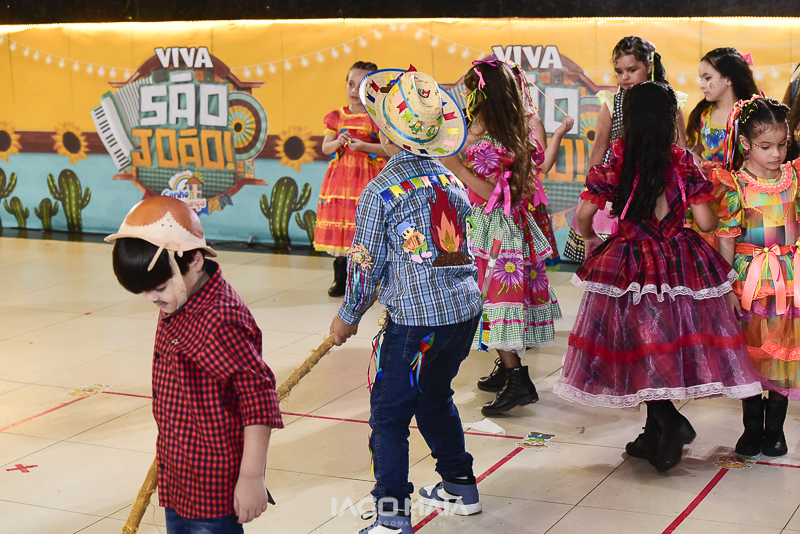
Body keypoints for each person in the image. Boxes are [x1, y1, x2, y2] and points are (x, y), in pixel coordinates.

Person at [553, 82, 762, 472]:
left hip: (630, 263)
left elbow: (583, 216)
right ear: (669, 120)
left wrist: (590, 237)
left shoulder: (618, 158)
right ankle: (656, 432)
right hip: (679, 262)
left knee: (638, 345)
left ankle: (667, 422)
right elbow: (706, 222)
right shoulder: (682, 161)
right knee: (662, 345)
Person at [329, 66, 483, 534]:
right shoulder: (450, 179)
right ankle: (460, 486)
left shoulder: (380, 191)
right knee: (434, 397)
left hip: (417, 323)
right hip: (462, 314)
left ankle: (392, 517)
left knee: (389, 414)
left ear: (383, 131)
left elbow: (364, 263)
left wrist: (348, 315)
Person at [106, 196, 283, 533]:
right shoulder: (178, 300)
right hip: (179, 473)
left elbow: (258, 399)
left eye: (159, 288)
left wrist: (251, 477)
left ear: (195, 261)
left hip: (214, 481)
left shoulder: (221, 319)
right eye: (143, 292)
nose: (152, 299)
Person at [444, 57, 564, 416]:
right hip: (493, 225)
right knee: (491, 299)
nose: (468, 97)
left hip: (498, 228)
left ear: (485, 94)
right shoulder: (506, 127)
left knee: (495, 300)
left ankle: (518, 381)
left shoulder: (495, 136)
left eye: (472, 90)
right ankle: (507, 369)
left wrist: (457, 168)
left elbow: (499, 192)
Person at [715, 95, 800, 457]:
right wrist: (725, 287)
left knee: (784, 352)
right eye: (766, 146)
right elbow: (726, 238)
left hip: (789, 279)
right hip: (749, 280)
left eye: (782, 144)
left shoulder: (795, 178)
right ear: (746, 144)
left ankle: (775, 430)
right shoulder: (735, 185)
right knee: (748, 353)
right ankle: (752, 427)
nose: (776, 153)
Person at [563, 36, 689, 263]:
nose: (625, 77)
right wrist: (591, 184)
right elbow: (599, 147)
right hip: (619, 180)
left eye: (632, 70)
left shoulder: (669, 100)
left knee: (654, 250)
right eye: (619, 72)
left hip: (658, 180)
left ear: (648, 66)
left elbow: (681, 145)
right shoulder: (612, 102)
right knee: (613, 255)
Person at [314, 61, 387, 297]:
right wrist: (338, 142)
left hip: (367, 179)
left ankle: (366, 280)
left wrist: (364, 146)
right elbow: (326, 148)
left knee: (364, 225)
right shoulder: (336, 116)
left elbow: (387, 149)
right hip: (340, 181)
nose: (354, 91)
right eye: (351, 84)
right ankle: (341, 277)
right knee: (343, 225)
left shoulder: (377, 117)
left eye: (362, 86)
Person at [684, 48, 760, 248]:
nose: (702, 84)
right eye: (701, 78)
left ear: (728, 79)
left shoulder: (750, 113)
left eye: (707, 78)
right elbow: (699, 146)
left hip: (740, 191)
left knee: (735, 241)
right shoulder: (703, 113)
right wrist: (694, 155)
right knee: (707, 241)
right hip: (707, 191)